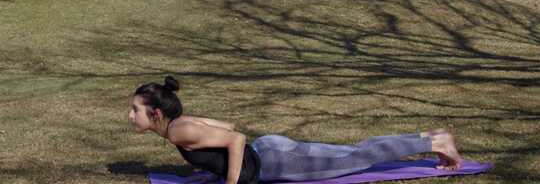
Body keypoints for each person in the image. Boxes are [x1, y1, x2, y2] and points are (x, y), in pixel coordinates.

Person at [128, 76, 462, 184]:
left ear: (155, 113)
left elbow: (235, 137)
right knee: (353, 152)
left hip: (277, 161)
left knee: (358, 157)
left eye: (135, 110)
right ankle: (430, 138)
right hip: (272, 151)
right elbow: (227, 128)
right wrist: (205, 164)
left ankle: (435, 139)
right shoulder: (181, 126)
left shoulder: (177, 132)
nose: (130, 116)